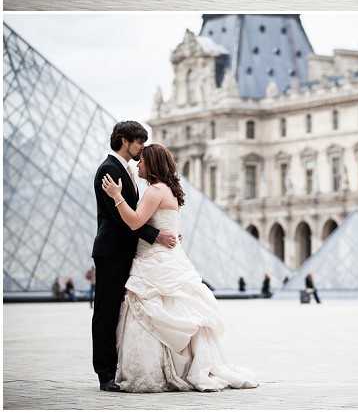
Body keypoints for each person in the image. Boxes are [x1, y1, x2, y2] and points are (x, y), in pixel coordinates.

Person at [101, 141, 258, 393]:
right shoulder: (171, 191)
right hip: (170, 258)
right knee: (177, 309)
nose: (139, 163)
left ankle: (159, 370)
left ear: (151, 163)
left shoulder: (154, 191)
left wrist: (117, 196)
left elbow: (134, 223)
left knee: (152, 310)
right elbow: (172, 226)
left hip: (153, 260)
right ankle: (183, 366)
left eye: (142, 160)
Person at [91, 121, 179, 392]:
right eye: (139, 141)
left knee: (117, 311)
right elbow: (122, 219)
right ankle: (104, 373)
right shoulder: (109, 169)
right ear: (122, 140)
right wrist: (156, 236)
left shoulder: (125, 169)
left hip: (124, 251)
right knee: (106, 311)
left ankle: (114, 367)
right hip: (112, 251)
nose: (142, 147)